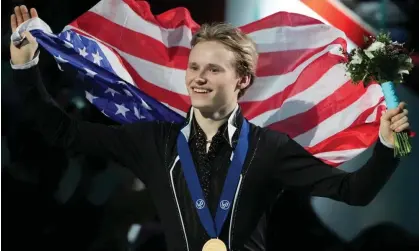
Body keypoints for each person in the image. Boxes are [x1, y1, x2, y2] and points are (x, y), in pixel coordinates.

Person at [10, 5, 411, 251]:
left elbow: (353, 193)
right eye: (194, 67)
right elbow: (64, 132)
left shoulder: (269, 147)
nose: (198, 78)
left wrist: (389, 148)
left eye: (213, 69)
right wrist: (25, 68)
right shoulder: (155, 141)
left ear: (242, 80)